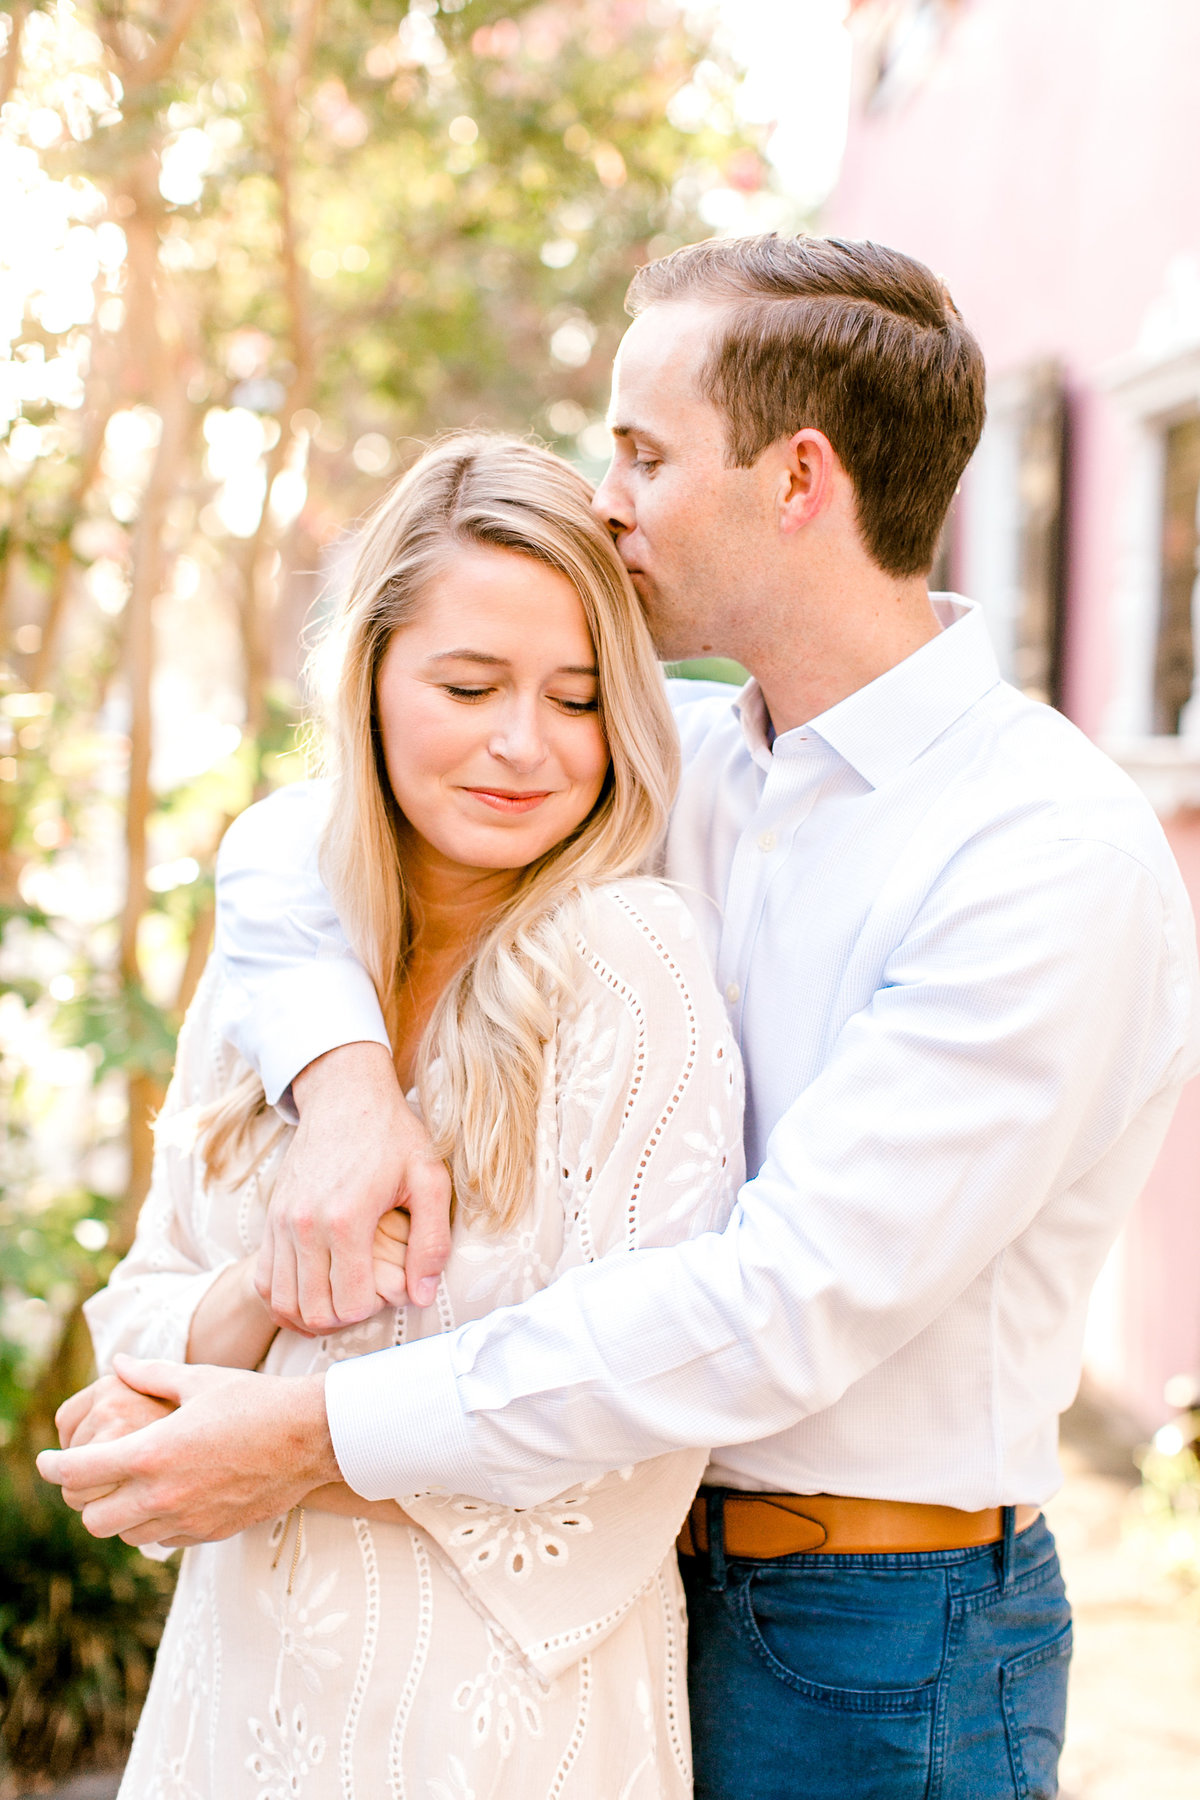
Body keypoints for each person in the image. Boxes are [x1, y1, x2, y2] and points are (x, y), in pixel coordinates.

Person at [41, 235, 1200, 1800]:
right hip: (628, 1593)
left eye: (644, 454)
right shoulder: (700, 760)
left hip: (876, 1625)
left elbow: (781, 1305)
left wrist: (315, 1437)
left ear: (797, 482)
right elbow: (293, 842)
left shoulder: (1042, 851)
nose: (607, 499)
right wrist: (346, 1086)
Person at [51, 435, 745, 1798]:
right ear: (369, 679)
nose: (522, 745)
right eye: (469, 684)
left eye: (580, 698)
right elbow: (141, 1307)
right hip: (234, 1691)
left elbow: (635, 1427)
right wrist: (273, 1282)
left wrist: (257, 1454)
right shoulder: (291, 971)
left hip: (496, 1718)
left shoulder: (631, 959)